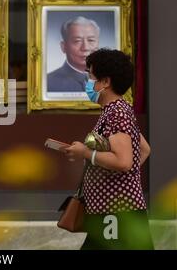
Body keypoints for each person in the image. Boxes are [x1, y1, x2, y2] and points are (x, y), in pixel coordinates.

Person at [64, 49, 154, 250]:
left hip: (115, 214)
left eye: (90, 76)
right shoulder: (119, 109)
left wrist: (86, 153)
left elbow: (123, 162)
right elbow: (144, 149)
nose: (88, 82)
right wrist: (117, 178)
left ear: (105, 82)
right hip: (114, 210)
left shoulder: (116, 113)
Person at [47, 16, 100, 92]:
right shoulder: (48, 83)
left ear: (98, 44)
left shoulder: (111, 80)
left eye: (91, 40)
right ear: (64, 47)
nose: (85, 48)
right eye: (77, 41)